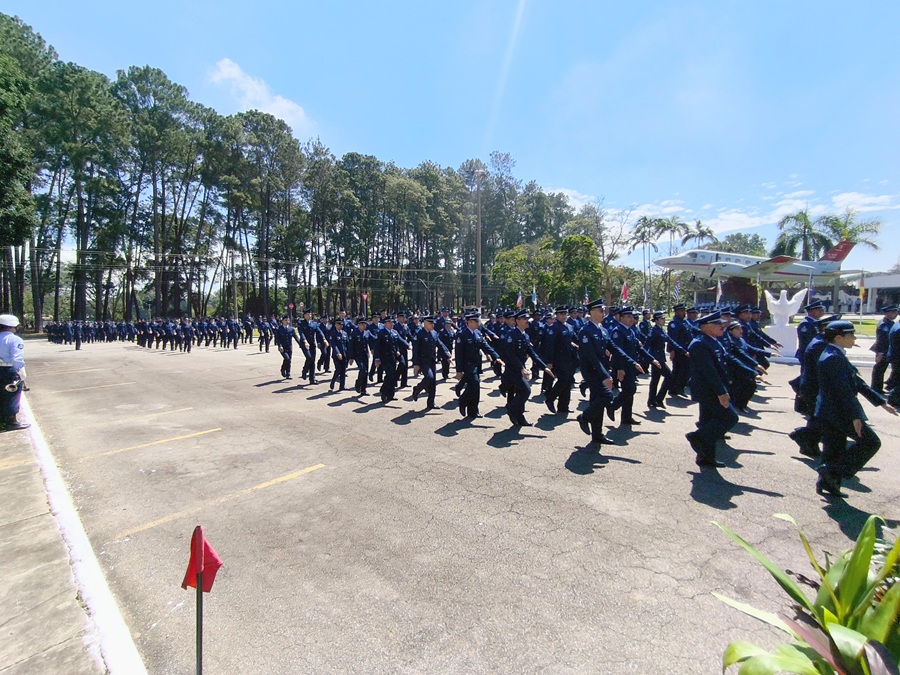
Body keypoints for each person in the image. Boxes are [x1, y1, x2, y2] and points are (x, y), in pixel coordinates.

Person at [814, 321, 897, 498]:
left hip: (830, 411)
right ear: (838, 337)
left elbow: (857, 382)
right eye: (851, 335)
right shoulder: (833, 358)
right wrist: (856, 417)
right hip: (839, 412)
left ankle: (827, 482)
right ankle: (831, 471)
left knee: (834, 448)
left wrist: (881, 402)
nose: (854, 338)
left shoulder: (835, 353)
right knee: (871, 442)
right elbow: (843, 392)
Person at [685, 311, 738, 468]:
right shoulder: (699, 344)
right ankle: (697, 437)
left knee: (708, 421)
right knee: (730, 417)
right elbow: (709, 372)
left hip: (713, 389)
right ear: (706, 327)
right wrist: (721, 392)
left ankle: (706, 457)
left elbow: (727, 361)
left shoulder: (713, 341)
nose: (723, 326)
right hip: (708, 390)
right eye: (718, 324)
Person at [575, 300, 619, 446]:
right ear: (592, 312)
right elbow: (591, 357)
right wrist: (605, 376)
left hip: (601, 369)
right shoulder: (585, 331)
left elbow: (614, 348)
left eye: (603, 310)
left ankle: (597, 434)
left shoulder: (603, 329)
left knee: (597, 402)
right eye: (600, 310)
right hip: (591, 372)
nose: (603, 313)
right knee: (607, 396)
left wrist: (631, 361)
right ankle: (583, 417)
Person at [502, 310, 553, 426]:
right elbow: (510, 354)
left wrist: (544, 367)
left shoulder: (525, 335)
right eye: (524, 319)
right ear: (517, 321)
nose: (527, 321)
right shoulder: (512, 334)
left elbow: (532, 352)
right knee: (526, 390)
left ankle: (520, 417)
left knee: (521, 392)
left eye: (527, 319)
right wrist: (521, 368)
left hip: (520, 368)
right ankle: (511, 408)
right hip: (512, 369)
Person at [455, 312, 502, 419]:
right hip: (467, 365)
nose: (478, 323)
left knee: (474, 388)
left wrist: (496, 356)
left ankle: (473, 411)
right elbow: (458, 354)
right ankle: (463, 401)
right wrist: (459, 370)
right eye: (476, 321)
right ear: (469, 322)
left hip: (476, 364)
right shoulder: (461, 334)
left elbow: (485, 346)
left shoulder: (478, 333)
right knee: (475, 385)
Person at [411, 316, 452, 410]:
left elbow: (440, 344)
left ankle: (431, 403)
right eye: (431, 323)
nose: (433, 325)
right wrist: (416, 364)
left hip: (432, 360)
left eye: (433, 323)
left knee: (433, 382)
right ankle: (417, 389)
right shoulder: (419, 334)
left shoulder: (434, 333)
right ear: (425, 323)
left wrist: (447, 355)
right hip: (423, 361)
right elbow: (415, 350)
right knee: (429, 377)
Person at [544, 307, 578, 415]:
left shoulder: (569, 326)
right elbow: (549, 346)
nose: (564, 316)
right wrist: (549, 361)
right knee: (563, 380)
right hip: (558, 359)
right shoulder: (554, 328)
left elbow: (575, 339)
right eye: (561, 314)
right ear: (557, 315)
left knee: (567, 383)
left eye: (565, 314)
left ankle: (563, 406)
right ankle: (550, 398)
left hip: (569, 358)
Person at [0, 314, 29, 431]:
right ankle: (11, 421)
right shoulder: (14, 339)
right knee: (12, 395)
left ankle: (1, 420)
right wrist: (21, 372)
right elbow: (17, 359)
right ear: (12, 326)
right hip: (9, 369)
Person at [870, 304, 898, 394]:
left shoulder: (889, 322)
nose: (896, 314)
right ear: (887, 313)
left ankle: (887, 385)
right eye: (893, 312)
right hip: (883, 351)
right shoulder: (884, 324)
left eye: (896, 312)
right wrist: (880, 353)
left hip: (887, 350)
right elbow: (881, 340)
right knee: (879, 370)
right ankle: (876, 389)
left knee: (886, 369)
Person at [329, 318, 350, 391]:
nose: (340, 326)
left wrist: (350, 354)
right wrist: (338, 353)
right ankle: (333, 381)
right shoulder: (333, 334)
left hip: (344, 354)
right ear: (335, 325)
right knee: (338, 369)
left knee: (343, 370)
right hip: (336, 355)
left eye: (341, 324)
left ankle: (342, 386)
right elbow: (333, 345)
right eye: (339, 324)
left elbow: (347, 344)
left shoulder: (345, 333)